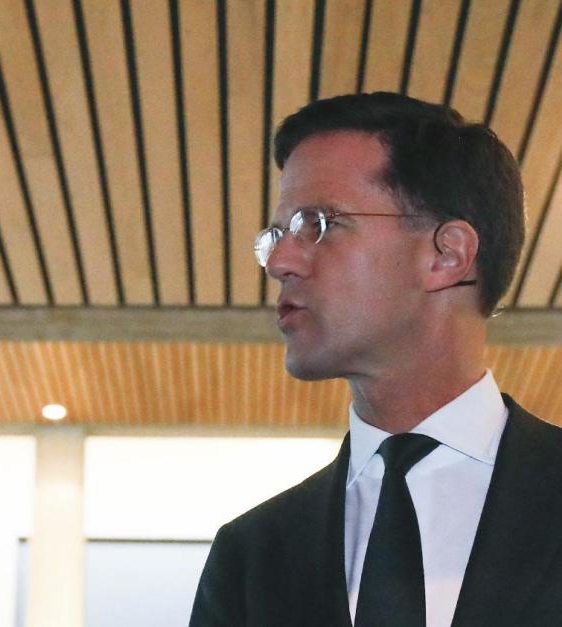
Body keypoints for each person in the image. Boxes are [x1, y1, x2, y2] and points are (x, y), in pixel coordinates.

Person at [190, 92, 562, 627]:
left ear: (446, 254)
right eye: (278, 235)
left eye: (318, 224)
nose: (280, 262)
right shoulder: (251, 554)